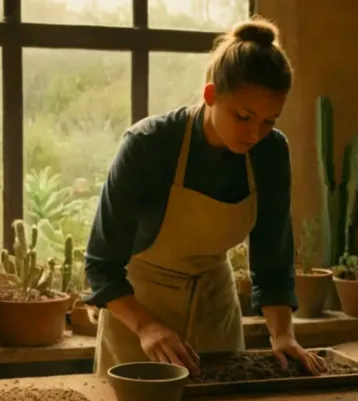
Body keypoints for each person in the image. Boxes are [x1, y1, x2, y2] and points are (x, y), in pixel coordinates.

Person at [83, 16, 326, 377]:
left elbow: (273, 258)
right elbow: (101, 265)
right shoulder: (149, 146)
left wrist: (283, 335)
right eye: (243, 116)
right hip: (138, 309)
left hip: (214, 305)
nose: (255, 133)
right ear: (211, 95)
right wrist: (147, 327)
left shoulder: (270, 152)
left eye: (269, 121)